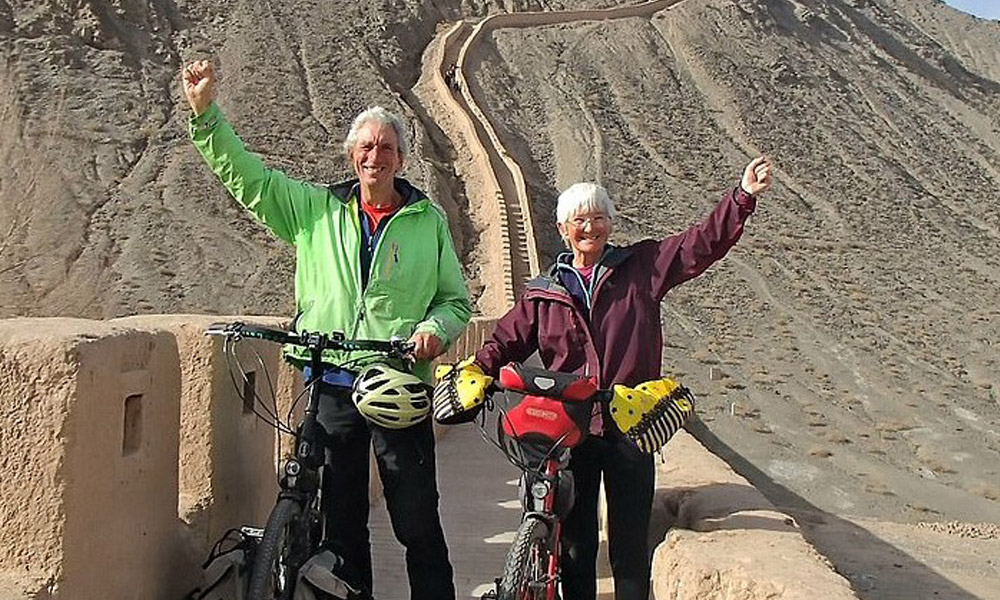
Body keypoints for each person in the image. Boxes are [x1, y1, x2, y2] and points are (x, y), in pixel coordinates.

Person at [182, 59, 471, 599]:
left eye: (385, 147)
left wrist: (435, 329)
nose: (374, 156)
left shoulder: (426, 221)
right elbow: (250, 180)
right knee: (341, 526)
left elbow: (455, 301)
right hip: (332, 384)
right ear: (351, 155)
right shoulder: (316, 210)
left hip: (396, 388)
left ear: (401, 158)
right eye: (365, 147)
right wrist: (206, 115)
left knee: (415, 521)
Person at [468, 158, 773, 599]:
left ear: (610, 223)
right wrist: (476, 370)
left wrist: (741, 198)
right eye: (579, 220)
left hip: (630, 426)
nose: (589, 227)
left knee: (629, 547)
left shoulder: (642, 267)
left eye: (597, 218)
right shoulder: (544, 292)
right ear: (561, 228)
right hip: (569, 430)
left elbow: (701, 245)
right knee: (576, 544)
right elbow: (505, 340)